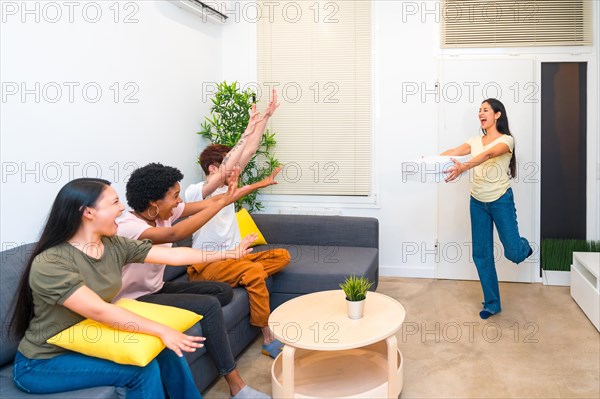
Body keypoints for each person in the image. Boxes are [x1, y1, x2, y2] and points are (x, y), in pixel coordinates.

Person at [8, 178, 256, 398]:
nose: (122, 208)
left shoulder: (113, 244)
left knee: (168, 351)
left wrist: (229, 253)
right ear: (88, 212)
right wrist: (162, 330)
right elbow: (101, 311)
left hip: (92, 339)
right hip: (46, 361)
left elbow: (175, 255)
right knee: (141, 370)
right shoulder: (52, 263)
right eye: (115, 202)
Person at [115, 162, 273, 399]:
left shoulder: (162, 215)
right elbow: (174, 235)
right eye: (175, 196)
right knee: (209, 306)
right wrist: (222, 202)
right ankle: (236, 386)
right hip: (134, 300)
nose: (179, 201)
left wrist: (229, 196)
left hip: (157, 288)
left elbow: (207, 204)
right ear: (153, 203)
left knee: (221, 291)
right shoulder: (129, 228)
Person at [186, 89, 291, 358]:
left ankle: (238, 274)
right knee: (255, 274)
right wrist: (247, 128)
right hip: (207, 264)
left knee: (282, 256)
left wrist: (264, 118)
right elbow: (230, 164)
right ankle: (267, 337)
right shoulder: (196, 193)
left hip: (235, 257)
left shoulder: (228, 190)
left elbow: (250, 150)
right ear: (212, 169)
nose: (236, 169)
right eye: (227, 165)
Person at [442, 98, 533, 320]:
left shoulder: (507, 140)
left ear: (497, 114)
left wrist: (465, 167)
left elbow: (489, 155)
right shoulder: (475, 140)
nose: (481, 114)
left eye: (485, 110)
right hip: (477, 203)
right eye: (479, 111)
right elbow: (454, 151)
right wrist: (428, 161)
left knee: (513, 252)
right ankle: (492, 303)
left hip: (501, 200)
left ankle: (524, 247)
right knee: (482, 254)